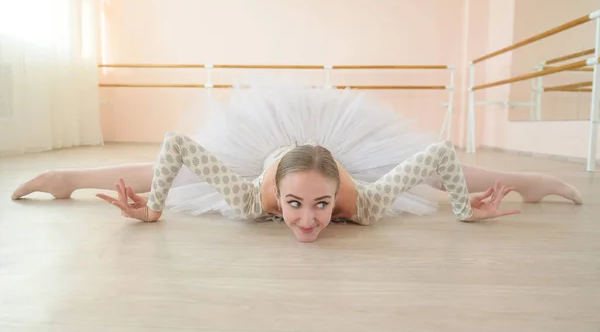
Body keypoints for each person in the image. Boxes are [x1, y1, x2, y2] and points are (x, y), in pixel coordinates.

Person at [11, 85, 582, 242]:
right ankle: (67, 181)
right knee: (180, 176)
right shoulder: (247, 195)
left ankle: (527, 184)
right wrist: (155, 209)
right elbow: (176, 145)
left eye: (320, 207)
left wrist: (462, 208)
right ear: (275, 196)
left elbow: (436, 156)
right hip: (270, 153)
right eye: (294, 206)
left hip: (332, 154)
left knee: (425, 173)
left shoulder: (362, 202)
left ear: (338, 198)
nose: (308, 222)